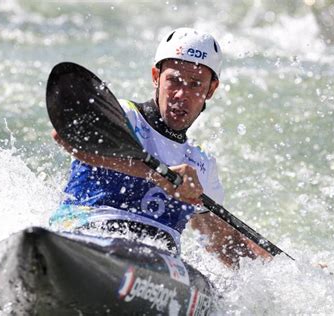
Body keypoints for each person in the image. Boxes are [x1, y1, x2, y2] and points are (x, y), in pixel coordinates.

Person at [50, 27, 271, 267]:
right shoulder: (124, 116)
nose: (181, 94)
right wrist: (155, 175)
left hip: (157, 266)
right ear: (156, 76)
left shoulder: (201, 166)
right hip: (83, 238)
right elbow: (63, 135)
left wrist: (288, 271)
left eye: (195, 84)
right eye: (173, 80)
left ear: (211, 90)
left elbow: (223, 244)